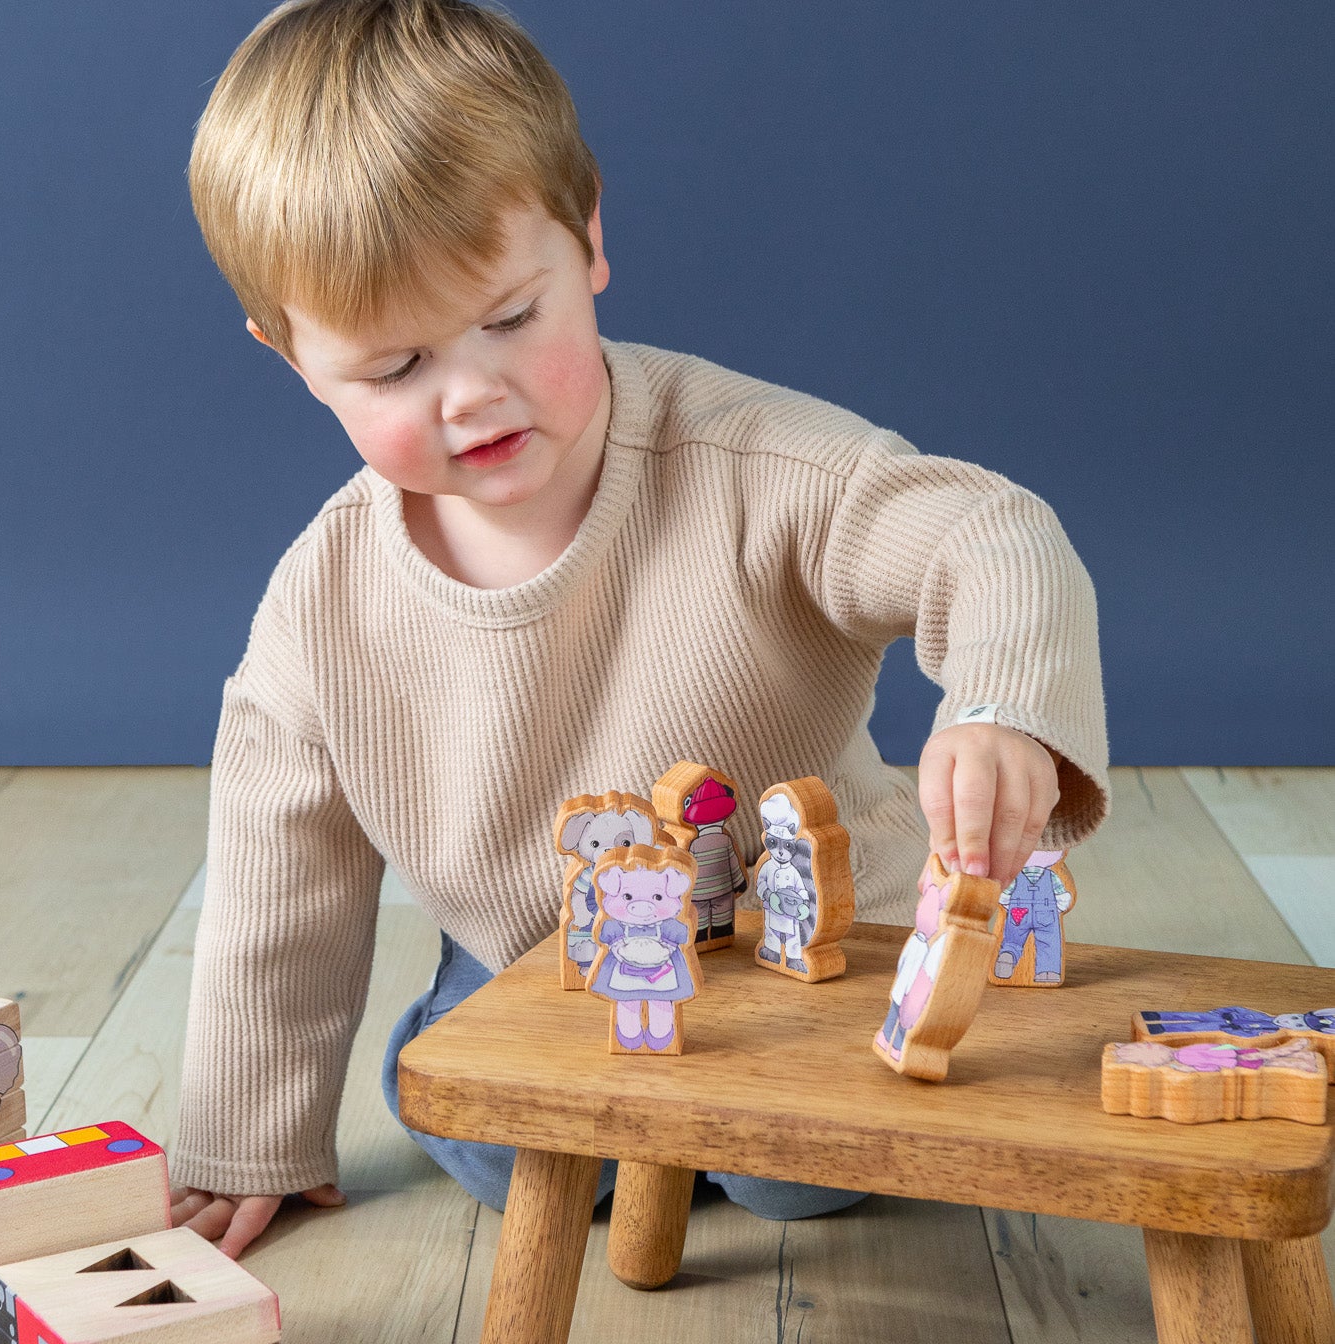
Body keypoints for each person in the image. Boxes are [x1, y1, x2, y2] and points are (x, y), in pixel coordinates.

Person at [170, 0, 1109, 1259]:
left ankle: (775, 1134)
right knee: (496, 1135)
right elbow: (277, 880)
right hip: (543, 961)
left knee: (804, 1174)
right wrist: (248, 1137)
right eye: (394, 371)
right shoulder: (324, 604)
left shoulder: (750, 463)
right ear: (290, 356)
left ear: (590, 234)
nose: (472, 393)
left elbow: (987, 533)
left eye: (512, 317)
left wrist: (1000, 708)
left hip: (811, 947)